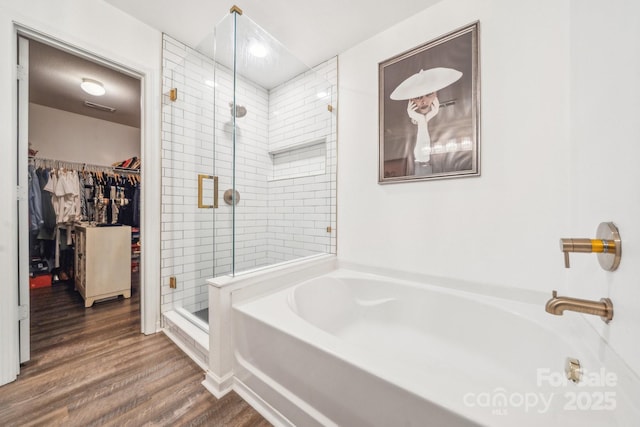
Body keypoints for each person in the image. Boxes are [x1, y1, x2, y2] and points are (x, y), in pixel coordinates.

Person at [390, 67, 462, 175]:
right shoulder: (401, 126)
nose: (424, 101)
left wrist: (423, 121)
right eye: (418, 97)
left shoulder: (450, 118)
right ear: (411, 100)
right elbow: (421, 160)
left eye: (429, 94)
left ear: (436, 95)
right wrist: (422, 121)